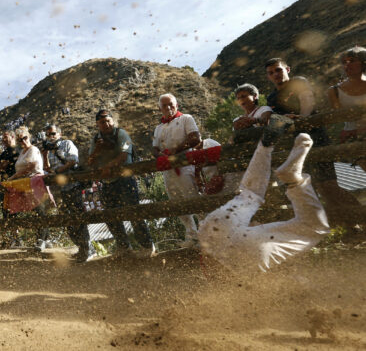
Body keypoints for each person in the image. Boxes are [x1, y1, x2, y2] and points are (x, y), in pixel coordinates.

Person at [199, 130, 329, 271]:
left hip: (221, 239)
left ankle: (290, 176)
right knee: (250, 194)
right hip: (215, 236)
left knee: (314, 228)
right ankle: (265, 147)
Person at [264, 57, 361, 225]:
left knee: (329, 185)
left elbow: (308, 101)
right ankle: (350, 228)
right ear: (268, 77)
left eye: (278, 70)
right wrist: (283, 119)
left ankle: (361, 218)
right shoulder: (272, 98)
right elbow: (277, 120)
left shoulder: (299, 82)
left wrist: (302, 119)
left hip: (316, 139)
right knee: (317, 189)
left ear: (287, 69)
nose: (275, 74)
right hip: (296, 146)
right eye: (271, 73)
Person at [88, 109, 154, 256]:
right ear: (97, 124)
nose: (106, 124)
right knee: (111, 216)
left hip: (126, 179)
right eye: (102, 122)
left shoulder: (122, 134)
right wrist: (97, 150)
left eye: (108, 121)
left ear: (113, 121)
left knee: (133, 212)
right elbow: (90, 161)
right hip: (107, 183)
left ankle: (147, 246)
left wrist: (107, 166)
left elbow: (123, 156)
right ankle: (124, 247)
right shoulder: (95, 139)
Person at [151, 94, 201, 248]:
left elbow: (195, 138)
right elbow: (154, 148)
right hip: (168, 171)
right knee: (178, 204)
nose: (168, 108)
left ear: (176, 105)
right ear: (160, 109)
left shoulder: (186, 118)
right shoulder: (159, 127)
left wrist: (175, 151)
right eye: (164, 105)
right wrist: (161, 156)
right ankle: (192, 236)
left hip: (186, 166)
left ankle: (208, 234)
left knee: (194, 200)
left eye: (170, 104)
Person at [43, 124, 95, 262]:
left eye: (53, 134)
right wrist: (44, 154)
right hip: (61, 190)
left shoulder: (67, 143)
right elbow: (47, 168)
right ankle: (82, 247)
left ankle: (88, 249)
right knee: (68, 220)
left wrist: (59, 171)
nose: (51, 137)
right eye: (48, 135)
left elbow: (73, 160)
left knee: (78, 217)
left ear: (59, 134)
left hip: (74, 186)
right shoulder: (48, 151)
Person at [7, 126, 52, 251]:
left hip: (35, 181)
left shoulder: (33, 149)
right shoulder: (22, 153)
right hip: (27, 183)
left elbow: (32, 166)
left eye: (25, 138)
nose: (23, 141)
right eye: (20, 140)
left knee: (40, 210)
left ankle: (41, 239)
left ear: (29, 137)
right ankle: (46, 239)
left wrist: (14, 177)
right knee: (36, 210)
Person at [327, 46, 366, 173]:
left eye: (352, 60)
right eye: (344, 62)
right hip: (354, 140)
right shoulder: (334, 91)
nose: (347, 65)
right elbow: (338, 120)